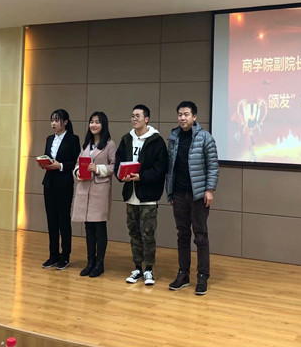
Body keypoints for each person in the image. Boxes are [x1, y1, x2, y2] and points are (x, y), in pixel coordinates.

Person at [166, 101, 219, 295]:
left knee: (201, 236)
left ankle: (203, 276)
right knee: (182, 235)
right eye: (180, 114)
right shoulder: (173, 137)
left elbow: (213, 165)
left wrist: (209, 190)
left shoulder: (205, 137)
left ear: (194, 117)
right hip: (178, 193)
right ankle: (183, 274)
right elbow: (170, 167)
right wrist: (170, 192)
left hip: (198, 195)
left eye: (186, 114)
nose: (182, 118)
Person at [115, 104, 168, 286]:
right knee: (134, 233)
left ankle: (149, 269)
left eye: (138, 116)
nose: (134, 119)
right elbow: (118, 162)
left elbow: (160, 168)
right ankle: (137, 267)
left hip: (148, 195)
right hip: (131, 194)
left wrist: (141, 177)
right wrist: (121, 175)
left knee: (148, 234)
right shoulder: (126, 139)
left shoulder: (156, 141)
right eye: (132, 116)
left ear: (146, 119)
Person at [72, 111, 116, 278]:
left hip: (99, 190)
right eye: (91, 122)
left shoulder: (110, 144)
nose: (94, 125)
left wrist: (97, 169)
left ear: (103, 125)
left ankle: (99, 263)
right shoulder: (86, 144)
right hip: (84, 188)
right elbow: (78, 163)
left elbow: (114, 166)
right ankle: (90, 261)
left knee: (99, 227)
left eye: (97, 122)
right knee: (88, 228)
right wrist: (77, 172)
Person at [41, 109, 81, 270]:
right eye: (52, 120)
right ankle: (53, 255)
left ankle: (65, 256)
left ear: (65, 122)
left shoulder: (73, 139)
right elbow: (46, 156)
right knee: (51, 220)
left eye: (57, 120)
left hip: (64, 183)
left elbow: (75, 161)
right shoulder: (49, 138)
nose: (53, 123)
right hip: (49, 182)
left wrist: (61, 166)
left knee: (63, 220)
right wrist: (43, 162)